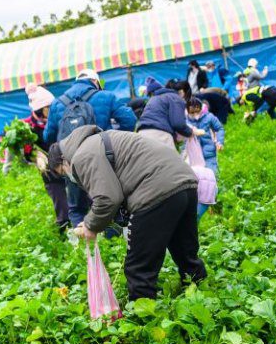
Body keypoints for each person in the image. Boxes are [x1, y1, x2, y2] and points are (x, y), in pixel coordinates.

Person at [49, 127, 206, 300]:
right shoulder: (98, 140)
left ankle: (143, 314)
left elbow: (107, 198)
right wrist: (91, 221)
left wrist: (90, 226)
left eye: (63, 172)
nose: (68, 177)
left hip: (155, 190)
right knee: (185, 251)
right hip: (184, 181)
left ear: (64, 160)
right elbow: (116, 195)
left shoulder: (82, 156)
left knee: (138, 267)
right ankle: (201, 294)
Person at [43, 69, 136, 227]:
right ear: (96, 82)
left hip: (69, 162)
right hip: (104, 158)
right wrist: (113, 141)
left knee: (76, 208)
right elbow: (130, 120)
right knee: (111, 200)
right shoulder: (106, 96)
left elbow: (48, 137)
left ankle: (82, 243)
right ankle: (112, 243)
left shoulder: (58, 103)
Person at [4, 83, 68, 229]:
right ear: (41, 109)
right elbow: (26, 152)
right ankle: (64, 228)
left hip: (69, 164)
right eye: (49, 108)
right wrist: (36, 156)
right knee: (60, 204)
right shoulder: (27, 127)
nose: (52, 110)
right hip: (49, 171)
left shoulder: (59, 119)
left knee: (83, 198)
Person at [186, 98, 224, 220]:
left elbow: (219, 128)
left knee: (213, 179)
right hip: (192, 156)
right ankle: (197, 207)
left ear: (201, 108)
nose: (195, 116)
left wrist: (219, 141)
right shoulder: (185, 120)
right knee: (194, 183)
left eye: (197, 112)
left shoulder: (209, 117)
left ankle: (215, 207)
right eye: (192, 113)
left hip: (208, 155)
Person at [136, 77, 194, 149]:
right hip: (159, 135)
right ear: (182, 92)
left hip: (141, 134)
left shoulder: (155, 98)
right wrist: (190, 132)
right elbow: (178, 124)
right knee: (169, 160)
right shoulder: (175, 98)